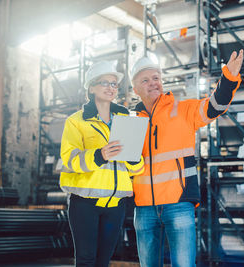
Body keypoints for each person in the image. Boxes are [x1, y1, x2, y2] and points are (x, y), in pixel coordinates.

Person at [130, 49, 244, 267]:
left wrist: (228, 78)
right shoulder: (130, 122)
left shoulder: (182, 110)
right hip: (144, 208)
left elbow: (215, 106)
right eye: (145, 80)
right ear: (135, 89)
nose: (153, 83)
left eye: (156, 78)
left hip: (178, 203)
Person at [59, 61, 145, 267]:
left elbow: (136, 167)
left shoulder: (126, 119)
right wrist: (99, 155)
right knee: (86, 260)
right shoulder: (76, 121)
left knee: (103, 261)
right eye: (105, 82)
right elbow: (69, 158)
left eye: (114, 84)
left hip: (115, 204)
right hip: (85, 202)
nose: (111, 87)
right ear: (91, 87)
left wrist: (133, 158)